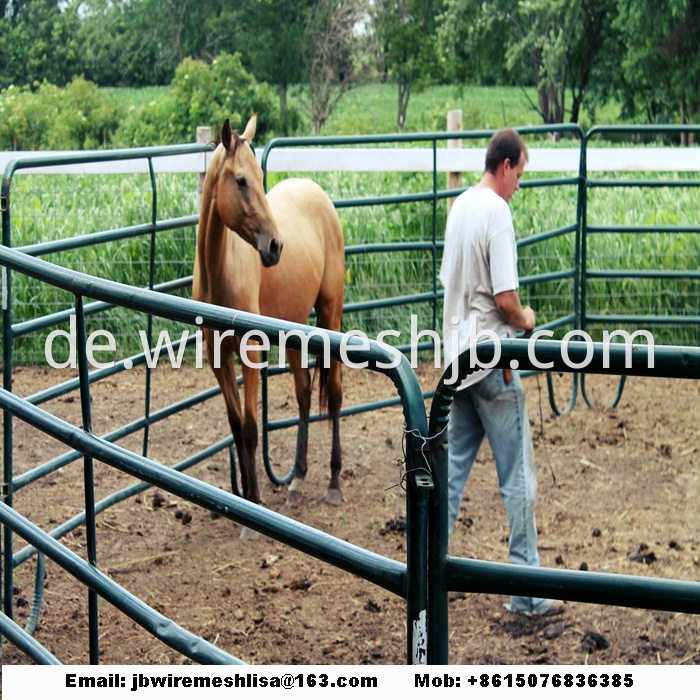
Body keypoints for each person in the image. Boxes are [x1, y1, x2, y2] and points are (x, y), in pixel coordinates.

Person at [439, 128, 564, 616]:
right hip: (494, 363)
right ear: (506, 165)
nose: (519, 185)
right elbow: (507, 300)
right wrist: (528, 319)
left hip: (457, 364)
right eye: (520, 174)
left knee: (449, 478)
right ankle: (527, 592)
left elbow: (452, 283)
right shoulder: (496, 211)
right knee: (518, 477)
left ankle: (431, 572)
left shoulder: (460, 206)